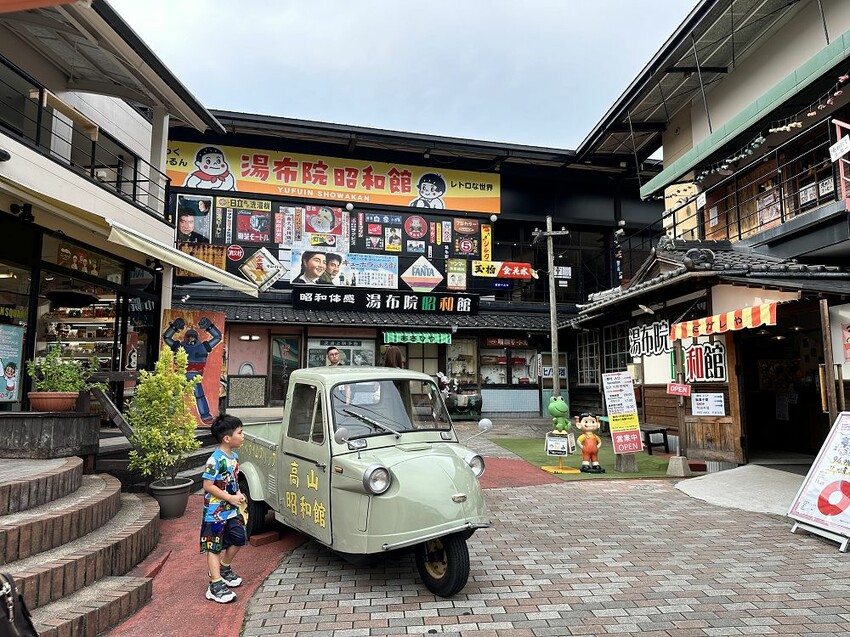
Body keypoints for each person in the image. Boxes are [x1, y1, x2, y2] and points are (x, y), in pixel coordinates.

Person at [200, 414, 247, 604]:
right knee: (214, 547)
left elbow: (232, 481)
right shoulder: (215, 460)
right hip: (215, 513)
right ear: (227, 438)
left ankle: (224, 568)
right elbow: (207, 485)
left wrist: (239, 494)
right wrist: (229, 497)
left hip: (232, 510)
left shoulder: (234, 457)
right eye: (240, 432)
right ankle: (215, 584)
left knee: (239, 538)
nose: (243, 436)